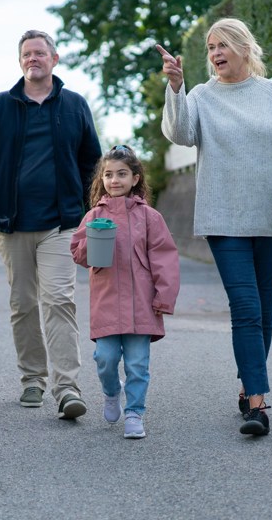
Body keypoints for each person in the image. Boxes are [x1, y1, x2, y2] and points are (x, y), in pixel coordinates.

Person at [158, 17, 272, 437]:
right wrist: (176, 87)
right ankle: (258, 406)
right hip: (225, 220)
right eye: (209, 48)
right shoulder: (203, 96)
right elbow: (180, 133)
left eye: (222, 45)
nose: (215, 53)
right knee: (244, 310)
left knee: (262, 310)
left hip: (271, 218)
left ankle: (248, 386)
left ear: (244, 47)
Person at [0, 30, 102, 420]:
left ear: (54, 59)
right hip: (11, 225)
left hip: (61, 223)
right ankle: (32, 378)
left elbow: (92, 163)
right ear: (20, 61)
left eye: (40, 53)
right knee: (23, 303)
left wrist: (95, 210)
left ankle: (67, 388)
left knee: (59, 300)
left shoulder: (75, 105)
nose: (33, 59)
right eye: (26, 54)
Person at [70, 145, 180, 439]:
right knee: (104, 358)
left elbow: (165, 258)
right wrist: (91, 243)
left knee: (137, 364)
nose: (114, 180)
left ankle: (135, 413)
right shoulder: (94, 216)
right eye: (108, 174)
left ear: (135, 178)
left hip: (141, 303)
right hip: (106, 302)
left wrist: (163, 297)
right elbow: (78, 254)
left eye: (122, 174)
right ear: (101, 179)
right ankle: (111, 391)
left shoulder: (150, 217)